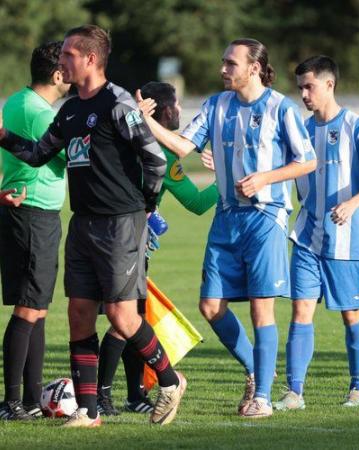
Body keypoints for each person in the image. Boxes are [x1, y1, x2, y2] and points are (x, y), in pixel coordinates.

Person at [0, 24, 186, 427]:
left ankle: (170, 382)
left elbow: (154, 161)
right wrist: (1, 135)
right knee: (79, 313)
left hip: (121, 223)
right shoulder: (68, 110)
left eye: (68, 54)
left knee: (122, 316)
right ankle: (88, 411)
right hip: (82, 223)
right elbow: (36, 154)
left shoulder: (117, 103)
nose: (61, 62)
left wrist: (144, 208)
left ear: (89, 59)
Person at [137, 38, 316, 418]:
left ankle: (263, 397)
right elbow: (182, 146)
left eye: (230, 63)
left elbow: (307, 161)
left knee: (260, 309)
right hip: (227, 219)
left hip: (266, 216)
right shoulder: (216, 105)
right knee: (210, 306)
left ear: (254, 68)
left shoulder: (281, 108)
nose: (223, 69)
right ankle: (254, 370)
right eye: (223, 62)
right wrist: (145, 120)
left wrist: (266, 177)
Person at [272, 56, 359, 411]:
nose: (304, 95)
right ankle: (294, 392)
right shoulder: (302, 130)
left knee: (351, 314)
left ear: (329, 84)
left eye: (309, 87)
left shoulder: (356, 126)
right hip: (307, 235)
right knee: (300, 310)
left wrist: (353, 204)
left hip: (346, 238)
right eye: (300, 89)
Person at [95, 81, 218, 416]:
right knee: (124, 318)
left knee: (133, 315)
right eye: (176, 105)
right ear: (165, 110)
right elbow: (196, 202)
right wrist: (228, 180)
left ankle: (134, 395)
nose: (179, 111)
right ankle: (101, 396)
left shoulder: (124, 135)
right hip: (129, 238)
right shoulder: (162, 152)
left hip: (107, 231)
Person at [0, 41, 70, 421]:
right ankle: (12, 402)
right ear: (58, 74)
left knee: (37, 309)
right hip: (31, 214)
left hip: (34, 214)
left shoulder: (16, 101)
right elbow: (72, 154)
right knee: (28, 310)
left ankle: (29, 399)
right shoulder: (40, 112)